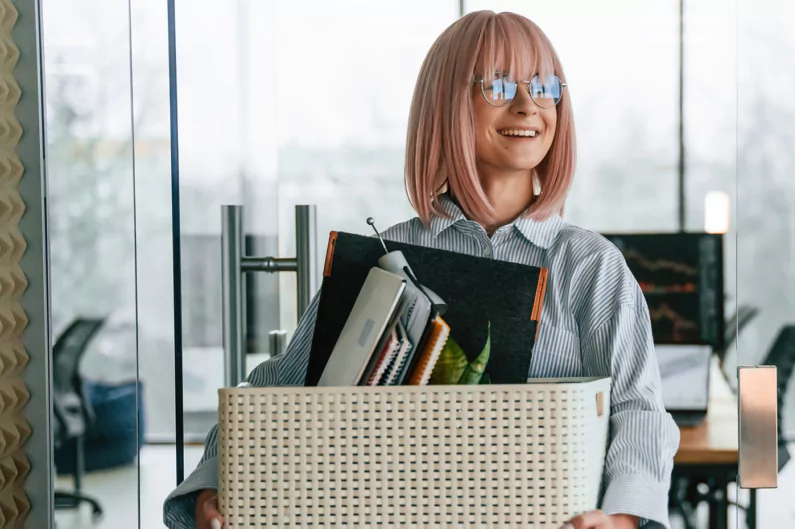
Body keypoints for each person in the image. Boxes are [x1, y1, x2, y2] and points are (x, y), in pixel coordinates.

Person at [164, 10, 679, 529]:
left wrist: (623, 520)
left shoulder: (591, 266)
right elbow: (277, 390)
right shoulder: (386, 258)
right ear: (447, 104)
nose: (529, 104)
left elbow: (639, 411)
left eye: (544, 85)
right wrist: (213, 484)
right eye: (499, 85)